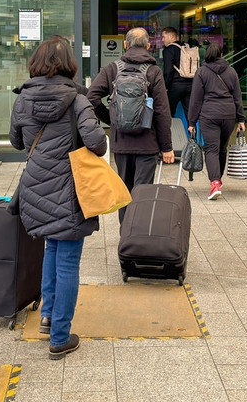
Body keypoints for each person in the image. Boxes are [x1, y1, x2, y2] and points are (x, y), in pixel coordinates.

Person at [9, 35, 107, 360]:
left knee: (51, 248)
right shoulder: (78, 99)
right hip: (69, 190)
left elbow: (17, 143)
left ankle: (48, 317)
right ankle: (60, 337)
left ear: (36, 63)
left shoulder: (22, 99)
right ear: (69, 65)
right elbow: (98, 143)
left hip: (37, 189)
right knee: (67, 261)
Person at [87, 27, 175, 218]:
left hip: (122, 144)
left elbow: (91, 97)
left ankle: (125, 232)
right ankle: (138, 232)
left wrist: (112, 120)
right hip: (147, 145)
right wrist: (167, 147)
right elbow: (162, 112)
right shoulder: (154, 71)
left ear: (125, 45)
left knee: (124, 194)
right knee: (142, 196)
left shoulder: (112, 69)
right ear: (148, 46)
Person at [187, 42, 246, 200]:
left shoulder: (202, 72)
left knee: (211, 149)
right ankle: (218, 179)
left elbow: (196, 99)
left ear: (207, 54)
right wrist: (241, 119)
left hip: (209, 115)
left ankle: (215, 183)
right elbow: (237, 97)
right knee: (222, 148)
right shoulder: (231, 71)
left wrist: (192, 122)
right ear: (221, 54)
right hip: (228, 115)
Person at [161, 26, 193, 125]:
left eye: (164, 37)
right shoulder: (186, 47)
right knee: (190, 115)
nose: (162, 40)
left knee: (168, 113)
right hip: (190, 84)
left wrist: (165, 86)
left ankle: (170, 132)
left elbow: (168, 71)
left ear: (171, 36)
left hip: (175, 86)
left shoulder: (168, 50)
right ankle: (192, 132)